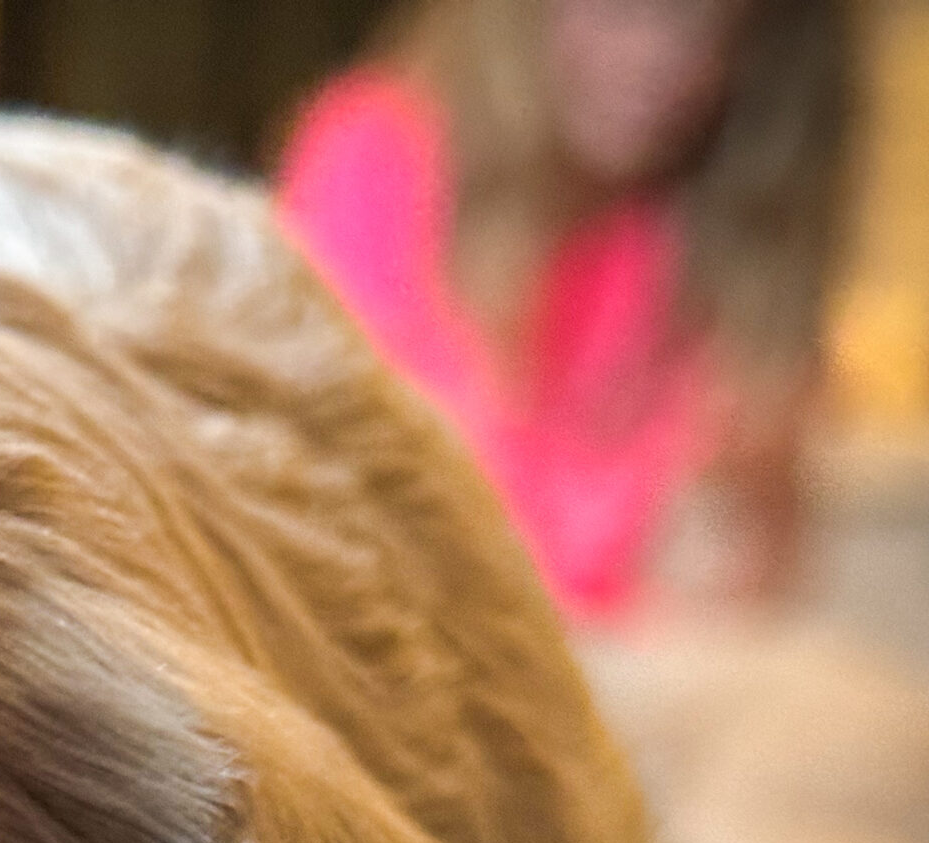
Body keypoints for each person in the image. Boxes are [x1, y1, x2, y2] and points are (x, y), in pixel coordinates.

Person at [276, 0, 858, 624]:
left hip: (625, 671)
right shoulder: (373, 155)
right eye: (622, 12)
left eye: (716, 30)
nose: (665, 59)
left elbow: (741, 583)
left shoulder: (716, 242)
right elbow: (337, 523)